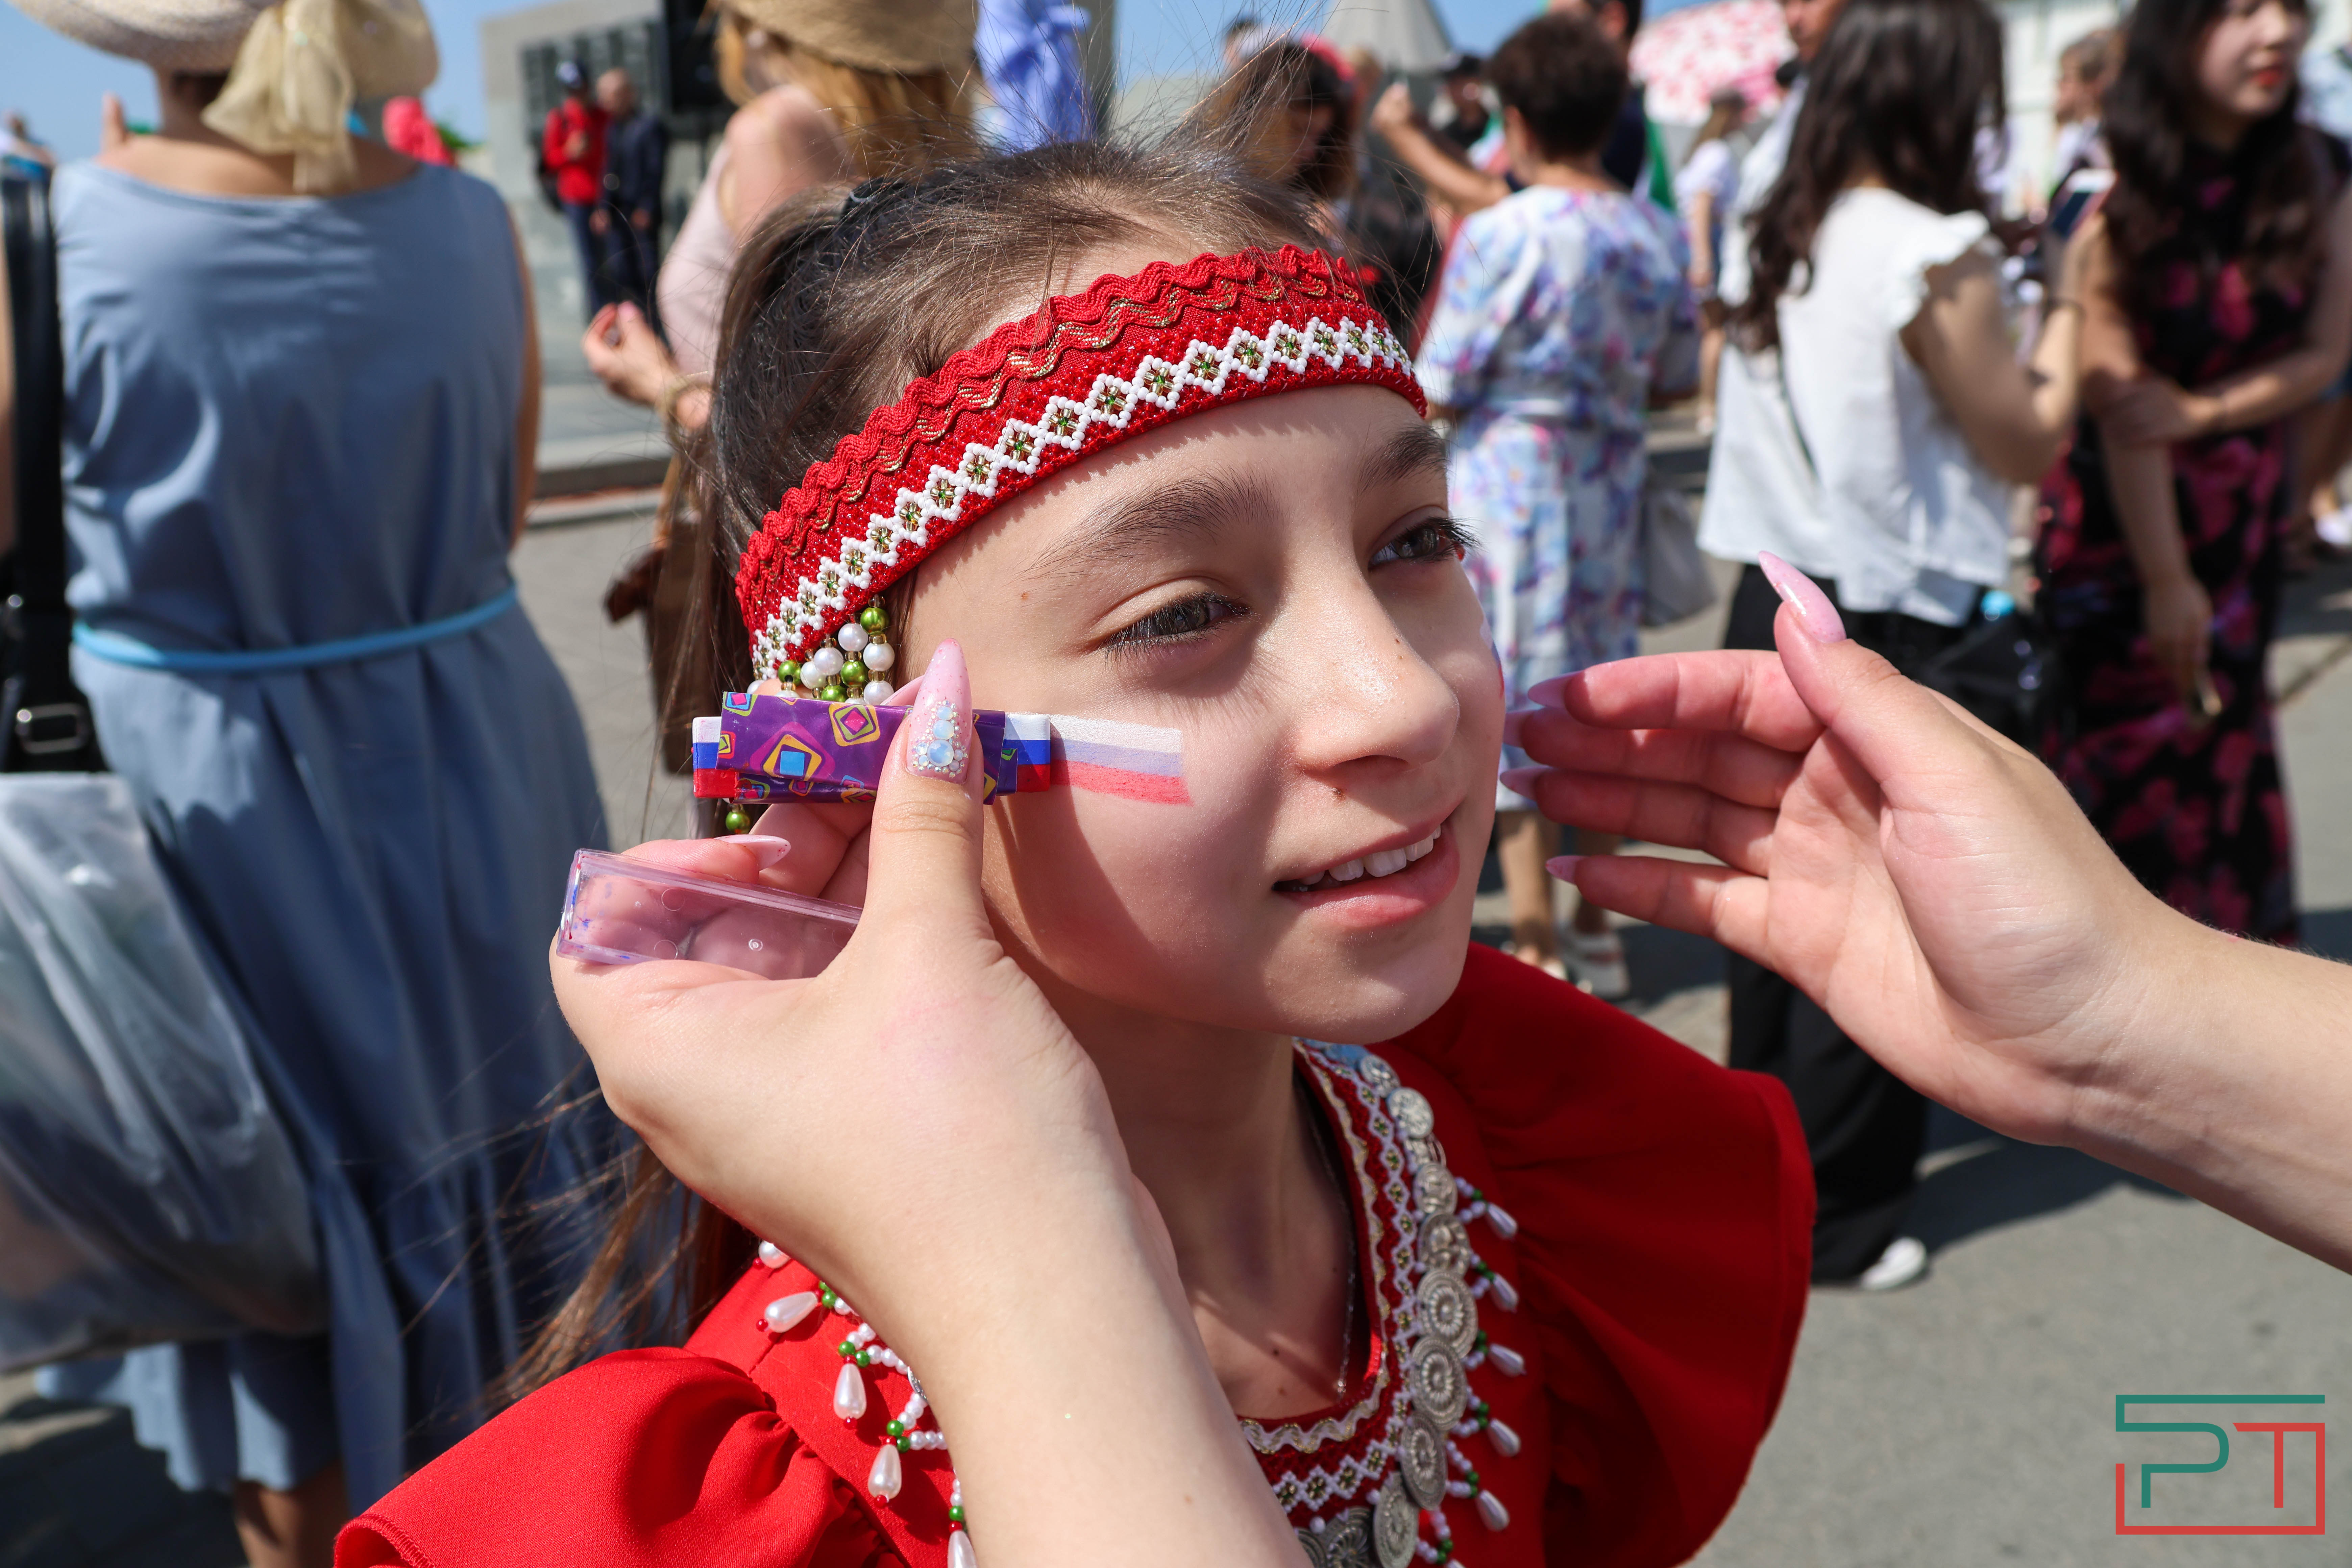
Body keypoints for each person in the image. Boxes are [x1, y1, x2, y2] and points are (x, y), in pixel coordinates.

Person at [335, 137, 1815, 1568]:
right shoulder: (732, 1510)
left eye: (1413, 538)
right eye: (1181, 613)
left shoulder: (1524, 1151)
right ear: (868, 742)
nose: (1402, 695)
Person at [0, 0, 614, 1560]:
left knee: (275, 1208)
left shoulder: (59, 236)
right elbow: (504, 496)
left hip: (212, 796)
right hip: (482, 745)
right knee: (509, 1167)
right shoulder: (470, 222)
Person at [1505, 558, 2352, 1279]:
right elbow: (2014, 440)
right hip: (1898, 612)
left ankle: (1794, 1206)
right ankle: (1817, 1211)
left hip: (1858, 617)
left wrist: (2114, 1013)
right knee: (1795, 934)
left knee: (1800, 936)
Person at [1716, 0, 2089, 1291]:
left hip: (1767, 588)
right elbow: (2023, 437)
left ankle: (1754, 1169)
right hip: (1891, 613)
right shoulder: (1931, 249)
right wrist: (2074, 311)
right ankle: (1840, 1215)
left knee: (1768, 899)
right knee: (1867, 921)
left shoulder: (1778, 208)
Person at [2037, 0, 2352, 944]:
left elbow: (2328, 351)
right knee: (2119, 777)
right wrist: (2169, 579)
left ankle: (2228, 999)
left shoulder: (2319, 168)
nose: (2279, 34)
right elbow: (2124, 405)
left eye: (2291, 11)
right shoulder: (2109, 187)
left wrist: (2207, 413)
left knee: (2229, 744)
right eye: (2244, 11)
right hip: (2120, 536)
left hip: (2241, 519)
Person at [1415, 13, 1696, 995]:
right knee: (1599, 693)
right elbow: (1674, 377)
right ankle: (1597, 923)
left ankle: (1533, 932)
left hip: (1511, 479)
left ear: (1520, 119)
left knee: (1517, 690)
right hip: (1608, 476)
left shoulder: (1503, 233)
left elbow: (1440, 373)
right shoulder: (1653, 231)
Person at [1368, 0, 1676, 224]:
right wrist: (1429, 135)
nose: (1547, 37)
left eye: (1562, 25)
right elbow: (1494, 179)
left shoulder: (1613, 115)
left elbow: (1497, 202)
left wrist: (1407, 141)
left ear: (1612, 19)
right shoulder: (1660, 235)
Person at [1673, 84, 1746, 426]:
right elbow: (1702, 205)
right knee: (1717, 329)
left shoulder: (1701, 151)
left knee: (1712, 328)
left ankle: (1709, 404)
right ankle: (1711, 405)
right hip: (1712, 244)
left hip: (1698, 242)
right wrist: (1704, 259)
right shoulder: (1717, 154)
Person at [596, 67, 667, 328]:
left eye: (611, 95)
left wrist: (647, 207)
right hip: (619, 215)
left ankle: (657, 329)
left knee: (648, 274)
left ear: (628, 94)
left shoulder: (649, 127)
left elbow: (655, 170)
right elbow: (609, 172)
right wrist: (603, 208)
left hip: (641, 215)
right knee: (621, 274)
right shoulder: (613, 130)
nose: (606, 102)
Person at [543, 59, 612, 321]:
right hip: (577, 199)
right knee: (590, 263)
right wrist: (569, 153)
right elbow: (549, 160)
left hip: (605, 195)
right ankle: (599, 317)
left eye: (581, 87)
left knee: (614, 258)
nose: (578, 94)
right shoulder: (559, 119)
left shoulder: (602, 116)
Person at [1433, 51, 1489, 154]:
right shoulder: (1444, 139)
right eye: (1452, 82)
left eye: (1464, 80)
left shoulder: (1502, 126)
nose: (1457, 90)